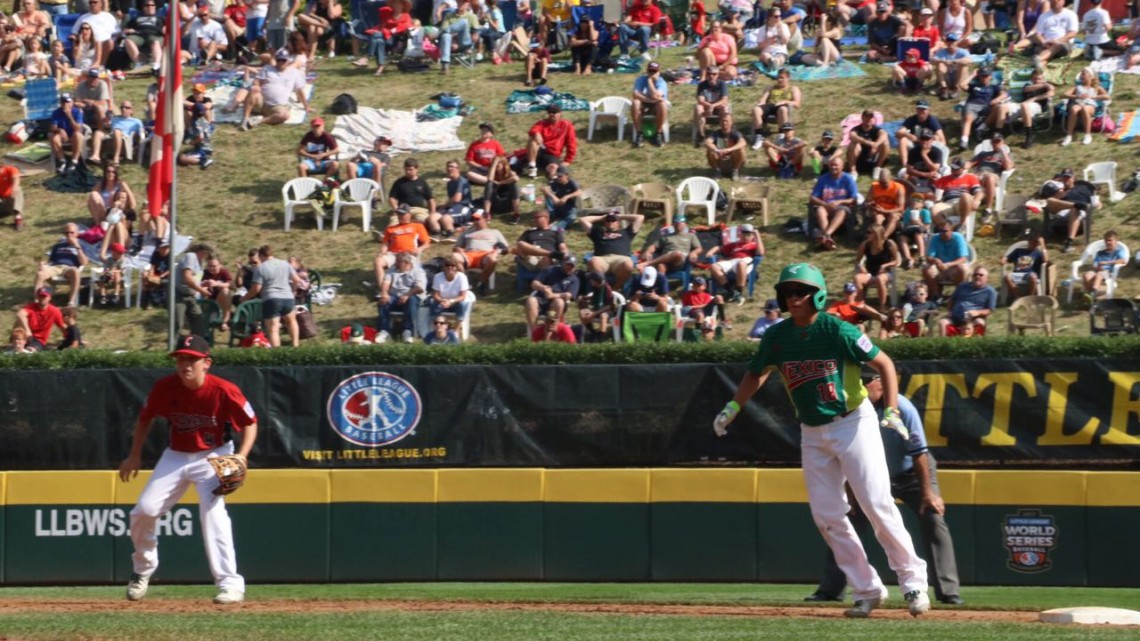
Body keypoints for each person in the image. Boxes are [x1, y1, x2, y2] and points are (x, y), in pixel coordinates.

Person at [714, 263, 932, 619]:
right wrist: (733, 405)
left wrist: (891, 410)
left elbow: (886, 364)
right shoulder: (777, 336)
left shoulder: (836, 329)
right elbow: (757, 373)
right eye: (788, 292)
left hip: (853, 422)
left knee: (876, 504)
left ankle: (913, 582)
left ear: (815, 295)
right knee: (827, 515)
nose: (794, 297)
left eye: (800, 291)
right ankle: (867, 589)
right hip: (812, 430)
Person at [119, 334, 258, 605]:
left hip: (214, 454)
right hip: (176, 455)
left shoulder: (224, 390)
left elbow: (251, 422)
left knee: (213, 511)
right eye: (181, 358)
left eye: (192, 359)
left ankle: (230, 584)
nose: (185, 364)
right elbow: (145, 418)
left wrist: (242, 456)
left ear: (207, 363)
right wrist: (134, 455)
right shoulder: (165, 387)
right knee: (144, 510)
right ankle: (143, 568)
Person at [806, 369, 963, 606]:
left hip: (911, 472)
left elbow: (919, 452)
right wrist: (849, 491)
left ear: (880, 383)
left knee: (933, 516)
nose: (865, 386)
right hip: (871, 474)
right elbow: (846, 454)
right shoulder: (849, 410)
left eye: (868, 382)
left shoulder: (901, 406)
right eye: (861, 382)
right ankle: (830, 590)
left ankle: (949, 591)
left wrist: (927, 492)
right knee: (844, 518)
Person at [241, 245, 303, 347]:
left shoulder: (260, 268)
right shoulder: (285, 264)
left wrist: (244, 298)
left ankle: (276, 353)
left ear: (261, 255)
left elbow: (256, 288)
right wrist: (292, 291)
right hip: (288, 298)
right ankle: (295, 346)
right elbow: (297, 280)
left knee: (273, 329)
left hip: (271, 299)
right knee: (291, 321)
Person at [239, 49, 309, 130]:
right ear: (276, 60)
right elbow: (256, 81)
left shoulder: (294, 73)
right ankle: (245, 119)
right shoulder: (267, 68)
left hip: (278, 106)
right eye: (279, 60)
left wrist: (306, 106)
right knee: (254, 89)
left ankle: (258, 121)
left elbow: (299, 90)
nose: (281, 62)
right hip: (262, 102)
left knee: (284, 115)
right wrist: (257, 86)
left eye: (283, 60)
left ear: (288, 61)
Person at [579, 210, 644, 291]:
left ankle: (616, 288)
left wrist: (621, 216)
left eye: (613, 220)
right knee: (593, 261)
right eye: (608, 220)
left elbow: (640, 217)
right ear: (605, 222)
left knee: (629, 264)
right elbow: (582, 220)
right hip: (602, 259)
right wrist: (602, 217)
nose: (610, 222)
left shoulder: (626, 232)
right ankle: (602, 287)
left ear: (618, 223)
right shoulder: (598, 232)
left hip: (621, 260)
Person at [453, 211, 510, 295]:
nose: (475, 221)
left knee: (492, 259)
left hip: (485, 255)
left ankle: (482, 283)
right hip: (469, 254)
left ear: (485, 219)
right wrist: (458, 249)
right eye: (473, 219)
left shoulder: (494, 232)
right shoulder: (466, 232)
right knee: (454, 257)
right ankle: (465, 283)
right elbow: (455, 248)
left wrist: (497, 252)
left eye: (477, 219)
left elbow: (507, 249)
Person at [34, 223, 89, 308]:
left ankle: (71, 302)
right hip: (55, 267)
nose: (69, 235)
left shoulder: (82, 246)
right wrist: (43, 265)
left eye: (72, 232)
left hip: (69, 268)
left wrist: (77, 246)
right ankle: (37, 302)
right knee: (40, 274)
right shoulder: (58, 246)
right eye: (66, 233)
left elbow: (84, 262)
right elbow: (50, 261)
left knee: (75, 272)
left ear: (77, 233)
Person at [810, 157, 859, 250]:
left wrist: (840, 201)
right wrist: (824, 204)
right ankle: (827, 238)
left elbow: (854, 199)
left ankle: (826, 235)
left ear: (842, 166)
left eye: (836, 165)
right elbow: (812, 197)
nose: (833, 167)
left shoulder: (848, 179)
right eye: (831, 165)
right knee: (820, 210)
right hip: (826, 205)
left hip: (841, 207)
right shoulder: (823, 179)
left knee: (841, 211)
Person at [707, 223, 763, 304]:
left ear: (752, 236)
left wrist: (757, 235)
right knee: (713, 266)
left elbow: (761, 253)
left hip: (746, 261)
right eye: (743, 234)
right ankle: (731, 291)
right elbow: (719, 247)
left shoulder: (754, 245)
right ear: (740, 235)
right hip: (732, 261)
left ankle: (739, 292)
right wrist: (710, 252)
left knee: (741, 263)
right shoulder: (734, 244)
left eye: (748, 234)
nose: (745, 236)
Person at [353, 0, 412, 76]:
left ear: (403, 6)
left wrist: (394, 30)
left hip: (395, 40)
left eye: (398, 4)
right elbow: (382, 24)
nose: (396, 5)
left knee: (376, 36)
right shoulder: (388, 14)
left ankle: (366, 57)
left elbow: (407, 26)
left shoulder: (406, 16)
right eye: (395, 3)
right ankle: (380, 68)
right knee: (378, 41)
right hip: (383, 36)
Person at [377, 252, 426, 343]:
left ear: (407, 263)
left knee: (411, 300)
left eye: (398, 262)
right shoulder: (393, 269)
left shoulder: (418, 271)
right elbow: (386, 282)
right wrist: (384, 293)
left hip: (411, 296)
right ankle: (384, 331)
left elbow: (420, 287)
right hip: (395, 296)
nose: (396, 264)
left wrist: (407, 295)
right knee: (383, 301)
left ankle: (408, 331)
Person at [1012, 0, 1078, 65]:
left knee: (1056, 46)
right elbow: (1038, 33)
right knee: (1041, 48)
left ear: (1063, 1)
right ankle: (1039, 64)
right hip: (1046, 42)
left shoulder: (1070, 14)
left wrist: (1057, 41)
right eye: (1053, 1)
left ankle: (1038, 59)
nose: (1055, 2)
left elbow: (1073, 33)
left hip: (1063, 43)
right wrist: (1043, 42)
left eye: (1058, 0)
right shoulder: (1044, 16)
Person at [525, 254, 580, 331]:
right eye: (568, 264)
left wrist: (552, 295)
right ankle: (534, 332)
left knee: (559, 302)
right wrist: (543, 287)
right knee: (531, 301)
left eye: (572, 266)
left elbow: (569, 295)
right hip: (541, 299)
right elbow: (534, 283)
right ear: (563, 263)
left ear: (575, 268)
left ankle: (550, 331)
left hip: (557, 303)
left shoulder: (574, 280)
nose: (569, 267)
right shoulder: (549, 270)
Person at [1000, 69, 1053, 149]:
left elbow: (1051, 93)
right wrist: (1044, 85)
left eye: (1039, 79)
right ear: (1031, 79)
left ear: (1043, 79)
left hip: (1036, 107)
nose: (1037, 81)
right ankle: (998, 133)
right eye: (1035, 79)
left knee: (1025, 104)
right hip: (1022, 106)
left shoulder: (1045, 87)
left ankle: (1029, 135)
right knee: (1002, 107)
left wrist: (1034, 98)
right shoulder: (1027, 85)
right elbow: (1027, 89)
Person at [637, 218, 702, 281]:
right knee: (661, 265)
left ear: (685, 224)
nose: (678, 225)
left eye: (681, 223)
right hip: (665, 261)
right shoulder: (666, 236)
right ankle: (660, 287)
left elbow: (699, 248)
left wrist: (694, 253)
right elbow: (654, 246)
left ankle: (648, 263)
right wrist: (648, 252)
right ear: (673, 225)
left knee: (677, 254)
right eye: (676, 223)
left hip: (680, 261)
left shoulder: (690, 236)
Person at [854, 224, 900, 312]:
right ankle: (860, 303)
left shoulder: (889, 244)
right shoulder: (865, 245)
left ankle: (882, 305)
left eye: (869, 232)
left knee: (880, 279)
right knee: (857, 278)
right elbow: (857, 260)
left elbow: (896, 260)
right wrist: (861, 266)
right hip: (870, 273)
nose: (867, 235)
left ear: (876, 234)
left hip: (886, 273)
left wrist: (885, 265)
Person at [750, 68, 801, 148]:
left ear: (788, 78)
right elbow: (763, 99)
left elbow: (797, 104)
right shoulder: (771, 87)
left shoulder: (793, 88)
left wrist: (785, 101)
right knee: (756, 109)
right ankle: (759, 136)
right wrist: (760, 103)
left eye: (782, 78)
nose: (779, 80)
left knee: (782, 109)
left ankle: (781, 135)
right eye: (778, 77)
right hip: (771, 105)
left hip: (783, 106)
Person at [939, 265, 996, 336]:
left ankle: (977, 345)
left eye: (981, 275)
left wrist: (977, 312)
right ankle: (943, 345)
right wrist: (950, 311)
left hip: (972, 320)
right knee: (943, 322)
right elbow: (952, 300)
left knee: (980, 322)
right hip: (955, 318)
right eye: (975, 275)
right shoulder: (962, 286)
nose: (977, 276)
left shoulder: (990, 291)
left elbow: (990, 310)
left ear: (986, 278)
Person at [1059, 68, 1109, 147]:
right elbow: (1063, 95)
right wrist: (1077, 96)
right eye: (1081, 74)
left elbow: (1107, 96)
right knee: (1073, 109)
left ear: (1091, 76)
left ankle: (1087, 135)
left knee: (1085, 108)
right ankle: (1069, 135)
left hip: (1090, 106)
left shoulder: (1095, 87)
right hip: (1079, 104)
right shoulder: (1077, 87)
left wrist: (1093, 97)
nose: (1081, 76)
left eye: (1084, 74)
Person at [523, 105, 577, 178]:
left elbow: (571, 143)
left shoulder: (567, 125)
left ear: (560, 113)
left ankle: (553, 180)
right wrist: (536, 133)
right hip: (540, 150)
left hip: (552, 154)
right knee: (532, 139)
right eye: (549, 112)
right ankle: (532, 167)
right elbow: (533, 130)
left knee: (553, 168)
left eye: (554, 112)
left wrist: (568, 160)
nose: (551, 114)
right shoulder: (542, 123)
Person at [958, 67, 1006, 150]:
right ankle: (964, 141)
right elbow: (962, 85)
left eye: (986, 76)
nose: (984, 78)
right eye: (982, 76)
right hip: (972, 105)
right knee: (968, 118)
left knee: (997, 107)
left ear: (990, 76)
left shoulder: (993, 87)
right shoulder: (974, 86)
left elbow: (1005, 94)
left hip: (987, 106)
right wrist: (972, 75)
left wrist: (996, 100)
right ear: (979, 76)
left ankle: (980, 129)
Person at [967, 132, 1013, 217]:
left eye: (998, 141)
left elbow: (1009, 167)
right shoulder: (983, 154)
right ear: (991, 143)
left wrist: (1002, 151)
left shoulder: (1006, 155)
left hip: (993, 176)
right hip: (979, 175)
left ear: (1003, 142)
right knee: (969, 178)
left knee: (989, 178)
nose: (996, 144)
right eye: (994, 141)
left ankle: (988, 209)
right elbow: (969, 163)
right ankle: (971, 205)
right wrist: (962, 167)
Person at [388, 157, 440, 231]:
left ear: (416, 169)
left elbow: (430, 199)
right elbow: (392, 198)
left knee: (425, 221)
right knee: (394, 221)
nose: (408, 172)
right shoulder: (399, 183)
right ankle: (388, 235)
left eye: (411, 169)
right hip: (403, 210)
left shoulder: (422, 182)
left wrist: (432, 212)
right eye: (406, 170)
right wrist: (396, 209)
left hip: (419, 210)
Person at [923, 221, 971, 298]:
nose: (942, 233)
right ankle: (935, 295)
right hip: (940, 268)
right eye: (940, 231)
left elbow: (963, 259)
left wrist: (948, 265)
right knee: (926, 268)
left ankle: (960, 294)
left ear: (951, 230)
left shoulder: (958, 238)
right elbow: (929, 257)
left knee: (962, 268)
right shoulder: (935, 238)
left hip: (954, 268)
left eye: (945, 231)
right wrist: (935, 260)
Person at [931, 157, 981, 231]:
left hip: (962, 202)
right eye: (952, 168)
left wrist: (976, 200)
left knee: (965, 196)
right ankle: (945, 228)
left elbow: (979, 192)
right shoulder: (942, 180)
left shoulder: (970, 177)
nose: (953, 170)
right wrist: (933, 197)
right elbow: (932, 192)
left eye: (956, 169)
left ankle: (962, 224)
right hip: (947, 203)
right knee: (934, 209)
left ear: (963, 168)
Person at [90, 101, 145, 167]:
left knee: (117, 131)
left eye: (127, 107)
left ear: (131, 110)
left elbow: (142, 135)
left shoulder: (137, 121)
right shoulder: (114, 118)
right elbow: (107, 127)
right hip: (111, 137)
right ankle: (96, 156)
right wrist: (106, 124)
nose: (123, 109)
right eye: (122, 107)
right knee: (98, 133)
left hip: (125, 140)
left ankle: (116, 158)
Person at [1080, 230, 1127, 306]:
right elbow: (1095, 264)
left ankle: (1092, 294)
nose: (1108, 242)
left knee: (1099, 274)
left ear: (1116, 241)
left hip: (1108, 272)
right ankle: (1089, 296)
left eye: (1110, 240)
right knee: (1087, 275)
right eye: (1106, 241)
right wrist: (1096, 267)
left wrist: (1107, 263)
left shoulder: (1118, 251)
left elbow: (1123, 261)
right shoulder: (1100, 253)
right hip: (1098, 270)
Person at [631, 61, 669, 148]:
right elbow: (635, 94)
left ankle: (658, 134)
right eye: (650, 71)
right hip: (645, 104)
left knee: (662, 104)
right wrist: (649, 100)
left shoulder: (661, 82)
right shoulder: (640, 79)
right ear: (647, 71)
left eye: (654, 71)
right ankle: (639, 134)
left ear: (658, 72)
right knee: (636, 102)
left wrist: (650, 82)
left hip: (656, 106)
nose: (652, 73)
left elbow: (656, 96)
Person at [1001, 232, 1047, 302]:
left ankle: (1030, 298)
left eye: (1037, 242)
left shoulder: (1038, 253)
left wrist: (1043, 245)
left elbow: (1046, 261)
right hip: (1017, 273)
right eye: (1033, 241)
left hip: (1030, 274)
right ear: (1029, 240)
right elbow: (1005, 259)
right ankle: (1017, 297)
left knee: (1033, 276)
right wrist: (1004, 260)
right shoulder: (1018, 251)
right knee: (1007, 277)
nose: (1035, 244)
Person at [183, 0, 229, 65]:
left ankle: (206, 60)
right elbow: (183, 32)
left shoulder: (216, 26)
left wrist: (208, 45)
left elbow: (224, 46)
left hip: (211, 53)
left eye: (205, 15)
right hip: (194, 54)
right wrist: (193, 16)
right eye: (201, 15)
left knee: (213, 43)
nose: (204, 17)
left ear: (209, 13)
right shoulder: (194, 23)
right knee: (181, 53)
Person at [846, 109, 889, 177]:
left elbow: (884, 134)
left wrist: (875, 145)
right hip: (860, 159)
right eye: (867, 116)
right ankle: (853, 171)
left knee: (885, 142)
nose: (869, 119)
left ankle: (877, 168)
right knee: (852, 145)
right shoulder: (857, 129)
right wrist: (867, 142)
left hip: (873, 157)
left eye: (871, 117)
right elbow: (852, 136)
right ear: (862, 117)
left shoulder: (876, 129)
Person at [704, 113, 747, 181]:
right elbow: (707, 142)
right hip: (720, 159)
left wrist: (729, 149)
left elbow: (743, 142)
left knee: (740, 150)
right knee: (710, 151)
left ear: (731, 122)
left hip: (733, 161)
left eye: (727, 121)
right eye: (723, 121)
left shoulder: (735, 133)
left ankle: (735, 171)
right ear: (720, 122)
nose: (724, 123)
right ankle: (717, 172)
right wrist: (717, 150)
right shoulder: (715, 133)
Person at [693, 65, 730, 142]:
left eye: (714, 74)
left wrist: (712, 106)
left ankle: (724, 133)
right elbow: (700, 100)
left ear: (718, 75)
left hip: (718, 107)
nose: (711, 76)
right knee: (698, 107)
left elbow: (724, 100)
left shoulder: (722, 84)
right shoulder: (702, 85)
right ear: (706, 74)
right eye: (709, 74)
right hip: (706, 108)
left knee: (725, 108)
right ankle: (701, 134)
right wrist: (709, 106)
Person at [49, 94, 84, 174]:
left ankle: (74, 160)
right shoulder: (56, 112)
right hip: (62, 136)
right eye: (63, 102)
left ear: (72, 102)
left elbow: (78, 128)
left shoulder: (78, 112)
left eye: (68, 102)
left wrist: (69, 116)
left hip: (73, 135)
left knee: (77, 135)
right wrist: (59, 130)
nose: (65, 104)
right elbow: (52, 127)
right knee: (53, 136)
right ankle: (62, 160)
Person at [577, 271, 618, 340]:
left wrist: (594, 313)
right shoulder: (596, 287)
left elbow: (609, 306)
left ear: (596, 281)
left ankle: (601, 336)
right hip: (597, 309)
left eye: (591, 280)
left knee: (603, 316)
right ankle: (592, 332)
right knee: (582, 313)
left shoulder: (607, 288)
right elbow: (594, 297)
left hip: (607, 311)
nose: (590, 281)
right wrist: (584, 298)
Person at [866, 168, 906, 238]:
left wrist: (885, 211)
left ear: (891, 179)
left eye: (885, 183)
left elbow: (901, 208)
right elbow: (868, 201)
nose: (882, 185)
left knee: (893, 217)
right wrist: (871, 205)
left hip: (893, 211)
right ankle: (875, 238)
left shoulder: (898, 188)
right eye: (880, 182)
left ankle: (883, 238)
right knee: (878, 218)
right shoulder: (874, 186)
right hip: (879, 211)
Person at [76, 0, 117, 65]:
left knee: (110, 42)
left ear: (101, 4)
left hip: (104, 44)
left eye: (95, 2)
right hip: (88, 44)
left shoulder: (108, 17)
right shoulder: (83, 17)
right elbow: (74, 32)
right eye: (90, 2)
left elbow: (116, 33)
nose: (92, 4)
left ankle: (102, 65)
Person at [931, 32, 970, 101]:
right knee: (940, 65)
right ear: (946, 42)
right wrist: (943, 61)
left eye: (952, 41)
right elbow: (932, 60)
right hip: (947, 76)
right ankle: (944, 88)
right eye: (948, 41)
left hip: (959, 77)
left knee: (963, 65)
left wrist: (954, 61)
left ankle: (957, 88)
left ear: (956, 42)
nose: (950, 42)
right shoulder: (942, 51)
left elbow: (968, 60)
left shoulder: (963, 51)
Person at [899, 193, 933, 269]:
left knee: (917, 234)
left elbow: (927, 228)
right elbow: (905, 226)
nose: (915, 202)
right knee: (902, 237)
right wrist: (910, 222)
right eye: (913, 200)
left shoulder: (925, 212)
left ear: (922, 203)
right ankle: (908, 258)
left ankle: (921, 257)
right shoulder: (907, 212)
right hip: (909, 231)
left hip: (922, 233)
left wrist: (919, 222)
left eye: (918, 201)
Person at [466, 123, 505, 187]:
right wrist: (481, 167)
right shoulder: (474, 144)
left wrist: (495, 165)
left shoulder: (495, 144)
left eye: (487, 130)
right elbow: (469, 161)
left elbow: (502, 157)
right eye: (483, 130)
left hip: (493, 168)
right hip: (479, 169)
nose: (484, 131)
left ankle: (489, 180)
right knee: (469, 174)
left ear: (491, 134)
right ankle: (492, 182)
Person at [568, 7, 598, 74]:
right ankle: (577, 68)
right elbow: (571, 43)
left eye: (586, 22)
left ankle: (588, 68)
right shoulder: (576, 30)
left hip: (588, 56)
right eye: (582, 22)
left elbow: (593, 39)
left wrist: (591, 26)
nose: (584, 24)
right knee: (575, 46)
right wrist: (586, 41)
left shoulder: (594, 30)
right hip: (579, 56)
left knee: (594, 45)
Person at [0, 161, 24, 231]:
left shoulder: (10, 169)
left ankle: (18, 218)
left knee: (18, 190)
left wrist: (14, 188)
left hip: (9, 201)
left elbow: (16, 179)